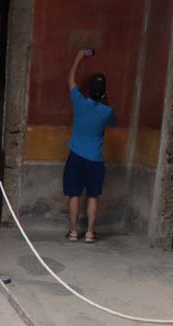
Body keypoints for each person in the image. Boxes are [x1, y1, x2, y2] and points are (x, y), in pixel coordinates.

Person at [64, 49, 115, 243]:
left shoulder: (79, 102)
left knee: (74, 194)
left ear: (89, 90)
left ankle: (74, 231)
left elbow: (71, 81)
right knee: (93, 195)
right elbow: (110, 121)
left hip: (76, 155)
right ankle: (90, 233)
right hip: (96, 159)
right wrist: (104, 98)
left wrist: (77, 59)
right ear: (103, 92)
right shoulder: (106, 111)